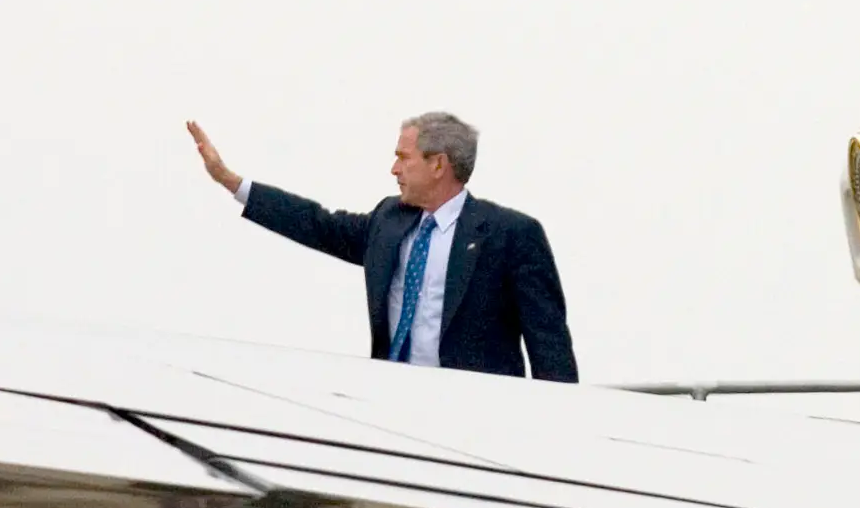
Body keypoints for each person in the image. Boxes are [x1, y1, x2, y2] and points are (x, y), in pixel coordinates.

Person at [187, 112, 579, 381]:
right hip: (391, 404)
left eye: (403, 158)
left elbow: (550, 347)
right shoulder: (388, 221)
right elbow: (317, 223)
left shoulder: (511, 234)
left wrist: (561, 431)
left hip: (475, 418)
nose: (394, 169)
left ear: (438, 165)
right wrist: (230, 181)